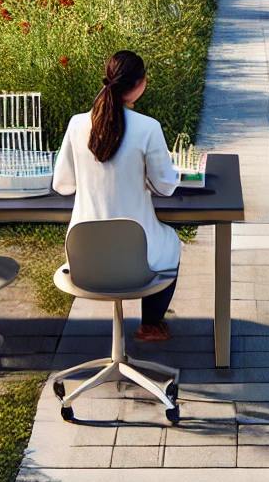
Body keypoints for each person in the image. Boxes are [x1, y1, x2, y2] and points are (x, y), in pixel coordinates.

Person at [53, 50, 180, 342]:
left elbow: (62, 185)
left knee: (157, 241)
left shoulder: (76, 125)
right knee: (171, 241)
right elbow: (166, 187)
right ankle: (150, 324)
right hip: (137, 260)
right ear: (141, 83)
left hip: (85, 259)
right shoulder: (148, 128)